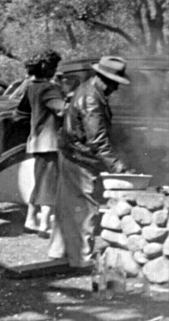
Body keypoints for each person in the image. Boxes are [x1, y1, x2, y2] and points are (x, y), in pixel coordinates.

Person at [48, 56, 132, 268]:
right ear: (105, 79)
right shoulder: (92, 99)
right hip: (81, 158)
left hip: (71, 153)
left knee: (67, 205)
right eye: (114, 83)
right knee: (85, 208)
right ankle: (82, 259)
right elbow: (97, 140)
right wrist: (118, 167)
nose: (115, 88)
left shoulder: (88, 88)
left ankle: (59, 252)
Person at [19, 51, 66, 237]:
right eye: (54, 66)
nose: (55, 70)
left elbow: (21, 112)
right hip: (51, 142)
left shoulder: (31, 87)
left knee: (39, 182)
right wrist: (69, 96)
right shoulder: (49, 88)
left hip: (36, 141)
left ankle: (30, 219)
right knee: (49, 184)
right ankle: (44, 224)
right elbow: (61, 111)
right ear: (46, 67)